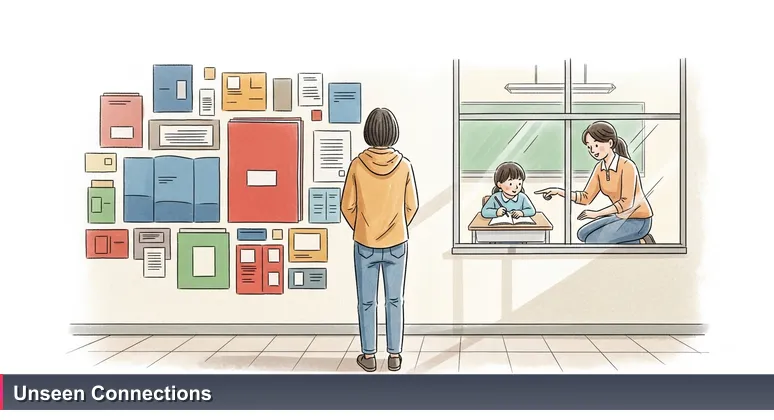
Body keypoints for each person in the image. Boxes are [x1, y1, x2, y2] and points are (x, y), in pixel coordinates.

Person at [341, 107, 419, 372]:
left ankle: (369, 356)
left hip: (364, 243)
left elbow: (347, 206)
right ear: (394, 132)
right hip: (398, 242)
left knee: (366, 301)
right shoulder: (405, 165)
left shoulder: (356, 165)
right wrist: (396, 226)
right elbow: (412, 206)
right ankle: (395, 355)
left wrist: (363, 227)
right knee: (395, 300)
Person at [535, 121, 655, 244]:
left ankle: (642, 241)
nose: (592, 150)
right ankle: (632, 240)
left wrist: (597, 214)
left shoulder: (627, 166)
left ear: (610, 143)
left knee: (593, 240)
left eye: (596, 145)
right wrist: (558, 191)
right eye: (589, 147)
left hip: (639, 219)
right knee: (582, 234)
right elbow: (585, 197)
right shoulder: (600, 168)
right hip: (620, 216)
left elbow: (626, 203)